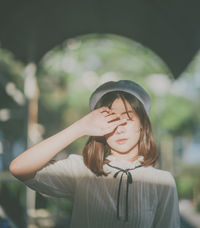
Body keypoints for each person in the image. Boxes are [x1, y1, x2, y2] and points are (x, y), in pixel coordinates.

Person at [9, 80, 180, 228]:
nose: (119, 129)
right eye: (111, 120)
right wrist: (80, 127)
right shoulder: (81, 170)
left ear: (143, 124)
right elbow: (19, 168)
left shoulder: (163, 181)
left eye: (127, 118)